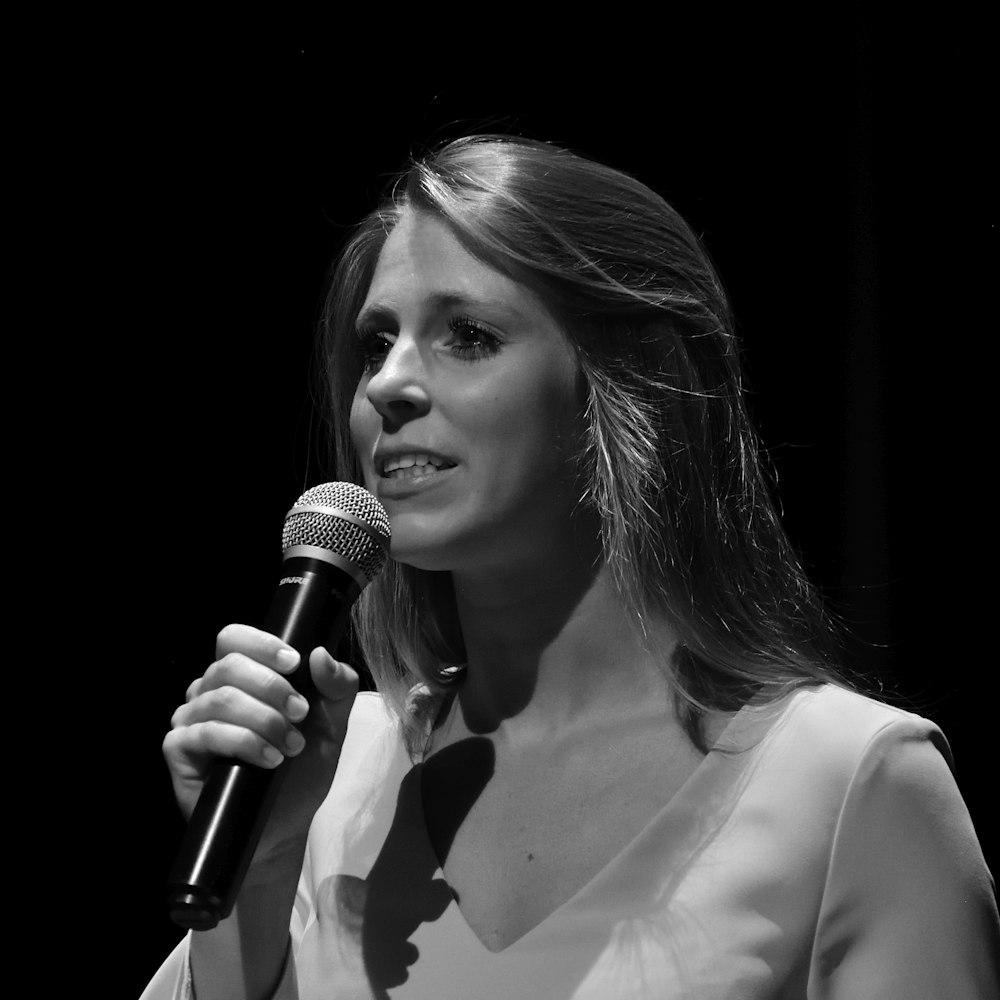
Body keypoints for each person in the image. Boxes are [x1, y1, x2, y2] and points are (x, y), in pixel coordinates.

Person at [142, 136, 999, 999]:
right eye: (375, 343)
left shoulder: (852, 782)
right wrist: (261, 869)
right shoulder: (309, 777)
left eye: (467, 335)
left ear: (626, 387)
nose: (387, 385)